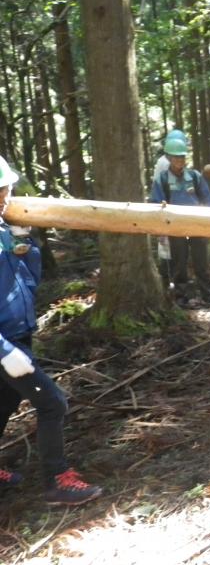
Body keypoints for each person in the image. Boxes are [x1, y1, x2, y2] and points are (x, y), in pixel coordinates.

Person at [0, 156, 102, 505]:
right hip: (5, 344)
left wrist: (26, 247)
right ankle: (56, 481)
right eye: (0, 189)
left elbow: (30, 281)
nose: (6, 195)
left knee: (5, 400)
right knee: (52, 402)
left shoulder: (3, 229)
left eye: (6, 188)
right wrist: (3, 351)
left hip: (19, 335)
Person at [149, 137, 210, 309]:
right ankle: (182, 297)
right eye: (175, 157)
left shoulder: (194, 176)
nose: (179, 161)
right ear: (168, 158)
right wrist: (161, 229)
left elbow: (207, 199)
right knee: (179, 263)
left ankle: (209, 296)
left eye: (182, 157)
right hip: (175, 228)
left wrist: (209, 220)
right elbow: (156, 203)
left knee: (202, 262)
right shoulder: (162, 179)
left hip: (197, 225)